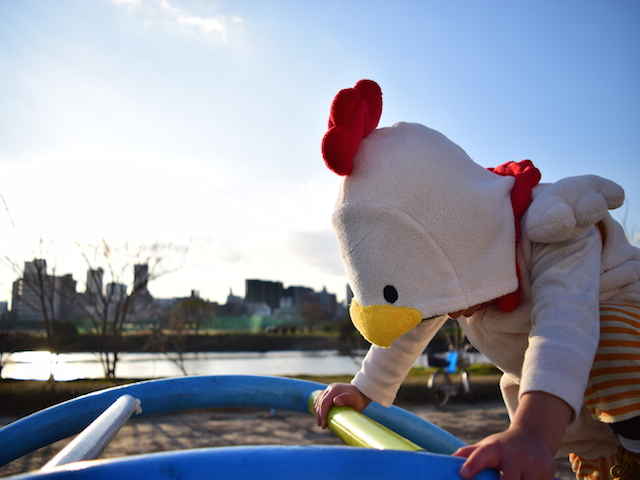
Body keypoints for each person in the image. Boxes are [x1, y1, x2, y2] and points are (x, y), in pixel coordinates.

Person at [314, 80, 640, 480]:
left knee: (612, 346)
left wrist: (532, 433)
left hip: (619, 347)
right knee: (598, 457)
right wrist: (365, 388)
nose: (449, 311)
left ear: (459, 234)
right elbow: (413, 319)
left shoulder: (554, 227)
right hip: (572, 401)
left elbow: (565, 328)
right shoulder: (461, 266)